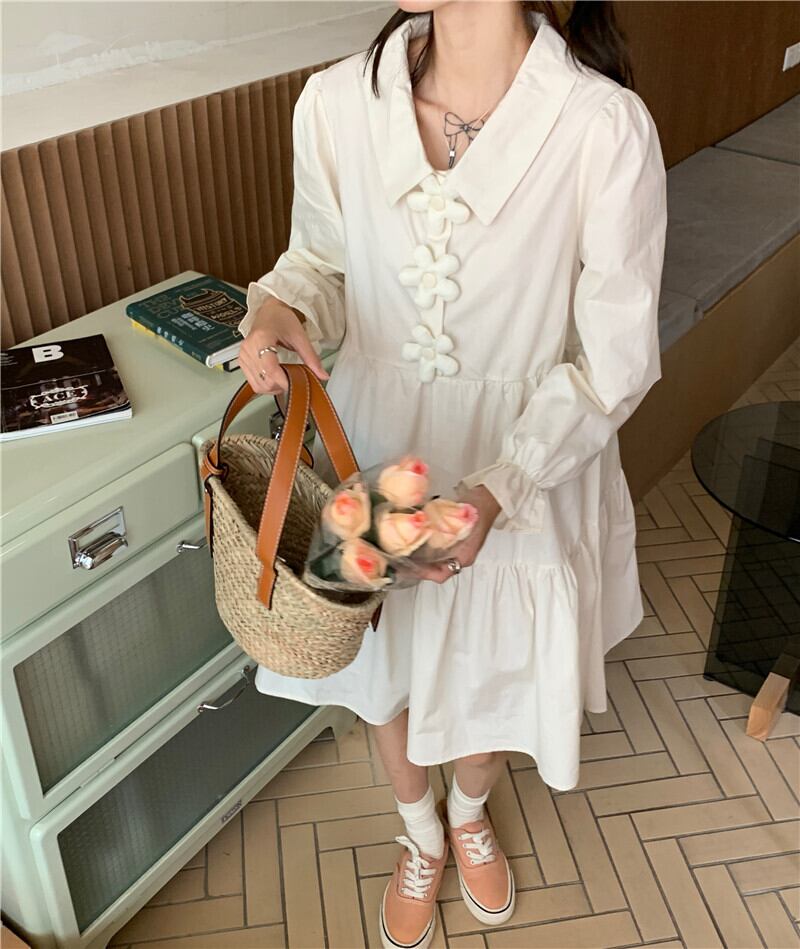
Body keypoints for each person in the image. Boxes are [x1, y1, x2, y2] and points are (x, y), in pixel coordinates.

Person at [236, 1, 667, 945]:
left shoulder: (602, 127)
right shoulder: (337, 101)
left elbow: (615, 357)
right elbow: (320, 261)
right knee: (382, 649)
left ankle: (468, 813)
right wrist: (277, 307)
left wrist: (503, 484)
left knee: (494, 658)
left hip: (525, 455)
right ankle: (420, 831)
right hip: (375, 437)